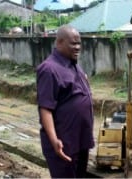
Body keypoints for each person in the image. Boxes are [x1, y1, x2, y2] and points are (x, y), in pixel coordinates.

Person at [36, 25, 94, 178]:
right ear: (59, 42)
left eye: (79, 43)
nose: (77, 47)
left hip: (80, 141)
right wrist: (54, 140)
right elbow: (45, 109)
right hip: (63, 143)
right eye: (73, 43)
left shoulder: (74, 65)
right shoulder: (49, 69)